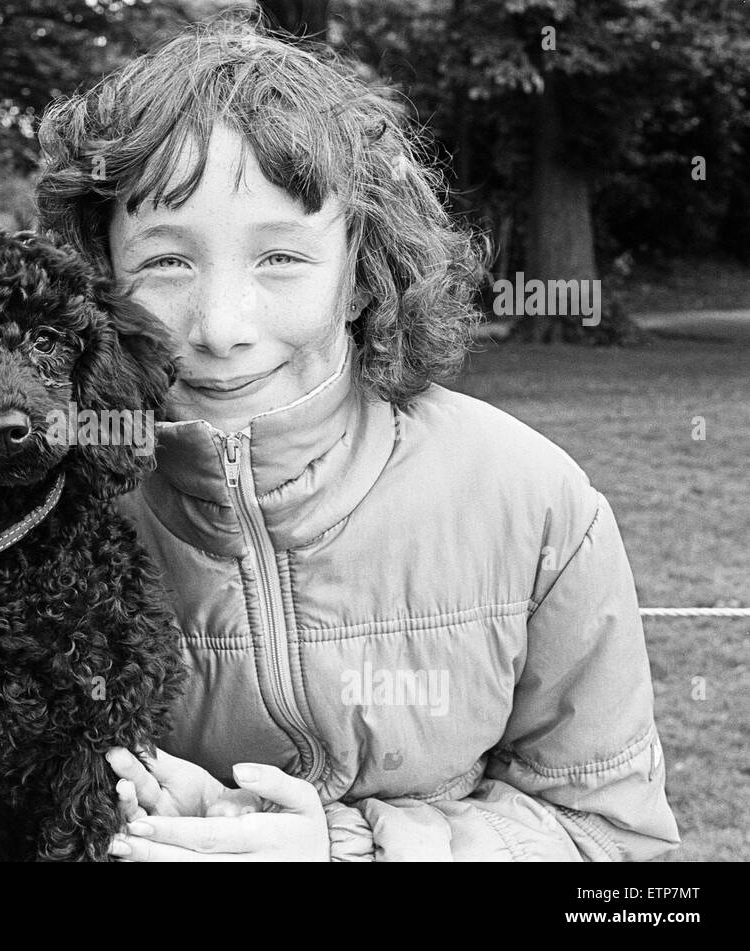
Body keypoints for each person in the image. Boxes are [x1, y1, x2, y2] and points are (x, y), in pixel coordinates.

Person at [36, 14, 680, 861]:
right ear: (99, 275)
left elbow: (616, 844)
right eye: (166, 262)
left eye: (281, 259)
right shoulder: (37, 509)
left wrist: (345, 849)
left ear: (359, 275)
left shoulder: (535, 499)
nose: (222, 326)